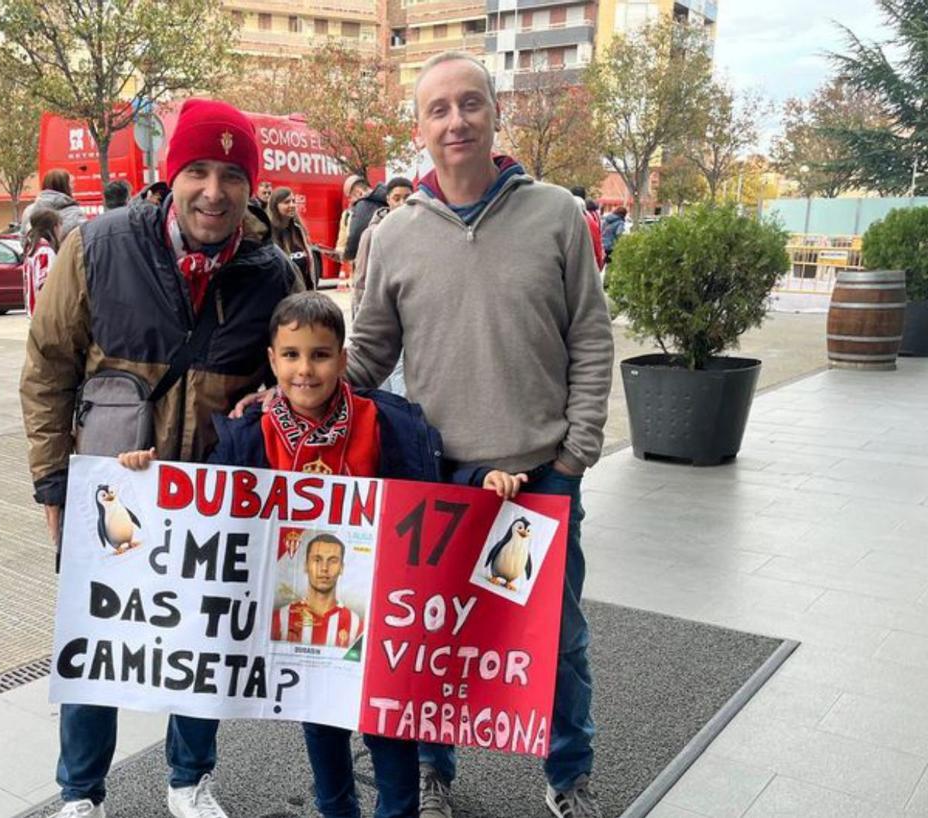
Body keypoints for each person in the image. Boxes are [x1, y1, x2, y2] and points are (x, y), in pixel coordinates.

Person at [122, 291, 530, 818]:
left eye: (319, 354)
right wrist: (142, 479)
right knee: (321, 722)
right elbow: (202, 501)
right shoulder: (251, 434)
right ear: (272, 360)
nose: (305, 369)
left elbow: (436, 481)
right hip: (305, 620)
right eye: (291, 355)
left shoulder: (386, 422)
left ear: (342, 358)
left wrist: (482, 480)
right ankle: (337, 809)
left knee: (388, 723)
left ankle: (400, 810)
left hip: (383, 608)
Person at [346, 52, 614, 818]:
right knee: (434, 641)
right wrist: (296, 391)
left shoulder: (558, 214)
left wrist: (576, 451)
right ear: (419, 129)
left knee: (555, 643)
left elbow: (592, 339)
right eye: (439, 109)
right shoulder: (394, 235)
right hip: (438, 481)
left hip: (541, 474)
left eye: (470, 104)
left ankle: (569, 777)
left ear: (497, 113)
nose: (455, 120)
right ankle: (436, 772)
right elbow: (370, 355)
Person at [20, 98, 300, 818]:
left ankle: (188, 780)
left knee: (200, 649)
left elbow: (301, 376)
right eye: (199, 171)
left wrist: (270, 402)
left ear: (251, 186)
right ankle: (81, 794)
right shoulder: (101, 245)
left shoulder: (273, 273)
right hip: (115, 493)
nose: (215, 191)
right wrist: (54, 483)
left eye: (233, 175)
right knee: (98, 647)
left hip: (213, 506)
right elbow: (48, 367)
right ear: (171, 175)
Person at [271, 533, 362, 647]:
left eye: (332, 561)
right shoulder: (280, 618)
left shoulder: (356, 625)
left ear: (341, 568)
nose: (324, 568)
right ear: (306, 566)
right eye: (317, 560)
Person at [351, 176, 413, 318]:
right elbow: (361, 280)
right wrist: (361, 315)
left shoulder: (420, 231)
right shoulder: (372, 234)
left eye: (407, 198)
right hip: (383, 312)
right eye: (396, 198)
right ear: (388, 200)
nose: (402, 203)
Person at [268, 186, 319, 291]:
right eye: (286, 202)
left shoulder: (299, 231)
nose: (292, 205)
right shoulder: (268, 234)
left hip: (302, 298)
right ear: (275, 206)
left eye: (293, 201)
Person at [21, 169, 86, 240]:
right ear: (65, 187)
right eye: (71, 185)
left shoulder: (29, 211)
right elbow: (81, 240)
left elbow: (24, 240)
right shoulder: (74, 213)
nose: (73, 188)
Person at [22, 209, 61, 318]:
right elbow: (45, 285)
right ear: (54, 227)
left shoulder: (32, 250)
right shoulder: (45, 252)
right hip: (45, 315)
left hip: (33, 313)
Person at [333, 175, 369, 263]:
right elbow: (342, 242)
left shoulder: (378, 209)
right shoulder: (347, 215)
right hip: (356, 266)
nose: (349, 201)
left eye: (350, 197)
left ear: (359, 193)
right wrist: (339, 254)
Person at [570, 187, 604, 270]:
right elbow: (597, 244)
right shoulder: (589, 220)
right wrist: (599, 264)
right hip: (583, 266)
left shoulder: (557, 217)